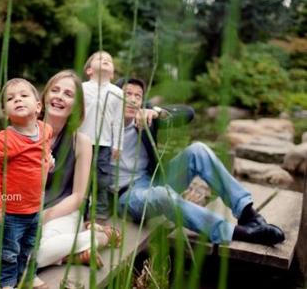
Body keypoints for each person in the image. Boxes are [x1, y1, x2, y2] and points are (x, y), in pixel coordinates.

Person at [0, 70, 121, 289]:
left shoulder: (81, 142)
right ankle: (78, 248)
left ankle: (95, 239)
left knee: (28, 246)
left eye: (68, 94)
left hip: (64, 214)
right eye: (55, 90)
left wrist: (43, 216)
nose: (60, 96)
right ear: (43, 99)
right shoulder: (17, 133)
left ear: (77, 105)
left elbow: (78, 196)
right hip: (21, 213)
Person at [113, 77, 285, 245]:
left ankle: (248, 214)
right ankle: (239, 233)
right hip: (129, 196)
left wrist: (157, 112)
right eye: (127, 94)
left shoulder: (146, 118)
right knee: (162, 194)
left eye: (138, 96)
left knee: (198, 150)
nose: (133, 100)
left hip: (152, 181)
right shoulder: (104, 124)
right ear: (114, 95)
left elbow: (188, 113)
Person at [0, 78, 53, 289]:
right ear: (6, 111)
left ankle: (27, 276)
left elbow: (45, 153)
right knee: (8, 251)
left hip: (36, 205)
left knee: (31, 247)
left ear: (38, 106)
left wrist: (48, 162)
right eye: (11, 98)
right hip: (11, 210)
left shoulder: (46, 130)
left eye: (24, 96)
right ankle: (6, 283)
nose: (18, 100)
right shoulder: (4, 140)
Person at [79, 50, 125, 222]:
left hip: (103, 143)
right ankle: (79, 213)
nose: (105, 60)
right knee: (80, 179)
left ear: (112, 73)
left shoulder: (117, 93)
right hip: (81, 142)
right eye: (100, 58)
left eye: (109, 60)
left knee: (101, 180)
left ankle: (98, 215)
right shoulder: (81, 89)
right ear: (89, 70)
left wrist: (118, 144)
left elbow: (119, 120)